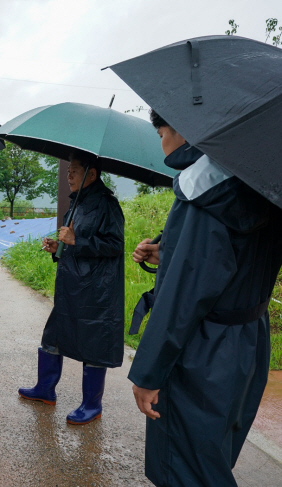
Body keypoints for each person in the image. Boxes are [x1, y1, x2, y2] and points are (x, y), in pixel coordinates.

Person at [130, 110, 282, 486]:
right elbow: (233, 262)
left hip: (202, 349)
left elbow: (184, 297)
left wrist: (149, 373)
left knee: (185, 467)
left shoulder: (204, 192)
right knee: (212, 453)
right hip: (248, 340)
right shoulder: (262, 183)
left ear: (183, 130)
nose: (162, 141)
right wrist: (168, 252)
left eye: (162, 131)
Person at [18, 154, 124, 425]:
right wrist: (58, 248)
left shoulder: (107, 204)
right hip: (70, 285)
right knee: (53, 335)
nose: (69, 176)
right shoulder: (75, 203)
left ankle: (92, 404)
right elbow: (72, 245)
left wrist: (77, 239)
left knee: (94, 343)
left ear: (92, 174)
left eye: (74, 171)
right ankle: (45, 389)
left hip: (95, 289)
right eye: (68, 172)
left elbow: (115, 245)